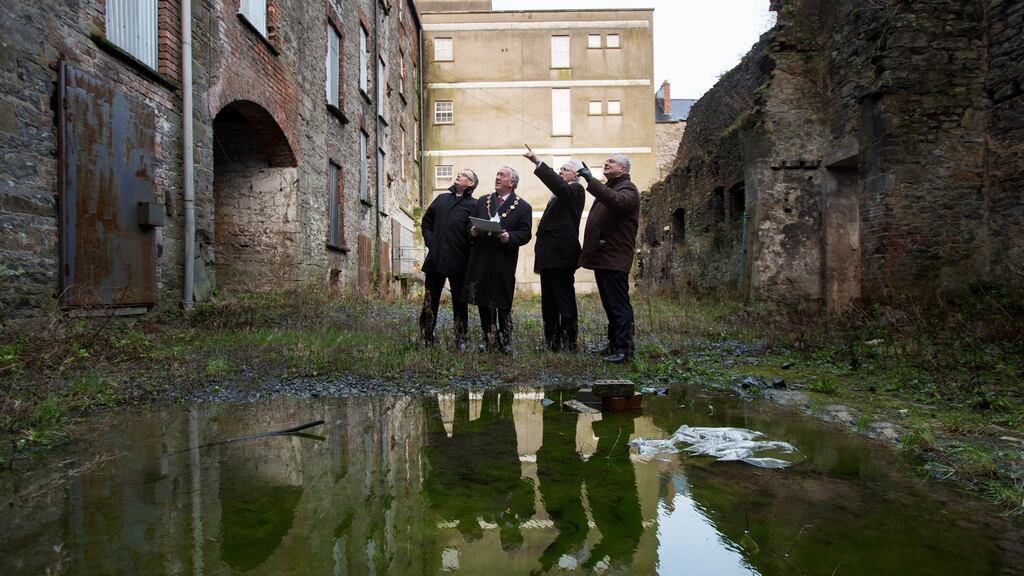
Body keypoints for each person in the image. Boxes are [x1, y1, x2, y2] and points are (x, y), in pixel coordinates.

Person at [577, 154, 640, 363]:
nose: (606, 163)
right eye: (606, 161)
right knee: (610, 304)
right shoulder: (612, 187)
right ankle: (614, 344)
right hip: (604, 257)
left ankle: (625, 349)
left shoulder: (627, 189)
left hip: (615, 257)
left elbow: (618, 203)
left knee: (619, 305)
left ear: (622, 168)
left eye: (611, 162)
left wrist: (590, 180)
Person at [463, 167, 533, 354]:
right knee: (483, 299)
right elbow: (470, 224)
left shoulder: (523, 207)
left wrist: (510, 237)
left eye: (502, 175)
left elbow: (526, 234)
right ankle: (488, 338)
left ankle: (506, 339)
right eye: (497, 174)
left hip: (503, 260)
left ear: (512, 182)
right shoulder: (483, 201)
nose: (497, 177)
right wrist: (473, 231)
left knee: (502, 301)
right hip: (482, 258)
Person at [523, 146, 584, 352]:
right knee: (549, 302)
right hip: (548, 257)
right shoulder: (560, 194)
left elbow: (559, 186)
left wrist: (538, 162)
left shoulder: (575, 190)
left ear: (576, 174)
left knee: (564, 299)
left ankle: (570, 342)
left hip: (562, 257)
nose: (560, 172)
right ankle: (552, 342)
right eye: (560, 169)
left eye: (565, 169)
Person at [419, 169, 478, 350]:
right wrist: (432, 241)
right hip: (436, 258)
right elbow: (426, 222)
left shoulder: (474, 205)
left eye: (465, 175)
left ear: (471, 184)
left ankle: (461, 338)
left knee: (460, 302)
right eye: (460, 173)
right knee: (430, 299)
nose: (459, 175)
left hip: (459, 260)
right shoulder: (441, 199)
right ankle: (426, 335)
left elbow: (473, 233)